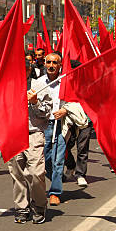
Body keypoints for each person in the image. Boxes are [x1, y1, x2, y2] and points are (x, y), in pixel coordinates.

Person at [8, 60, 51, 224]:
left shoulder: (38, 86)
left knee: (35, 172)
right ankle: (21, 208)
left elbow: (46, 112)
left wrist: (35, 102)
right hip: (13, 134)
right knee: (17, 173)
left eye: (23, 69)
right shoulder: (8, 87)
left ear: (28, 70)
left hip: (33, 134)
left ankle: (39, 205)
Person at [37, 52, 68, 206]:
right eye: (48, 62)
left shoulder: (66, 82)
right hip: (44, 124)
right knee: (47, 157)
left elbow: (76, 101)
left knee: (58, 159)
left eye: (55, 63)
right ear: (44, 64)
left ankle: (55, 192)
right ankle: (56, 176)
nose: (51, 65)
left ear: (60, 65)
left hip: (61, 125)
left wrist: (65, 110)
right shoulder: (38, 83)